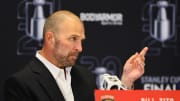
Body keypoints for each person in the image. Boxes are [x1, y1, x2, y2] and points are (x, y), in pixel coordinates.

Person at [4, 10, 148, 101]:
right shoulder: (20, 84)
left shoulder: (84, 76)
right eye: (73, 39)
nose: (79, 48)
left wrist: (126, 82)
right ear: (50, 38)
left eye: (81, 40)